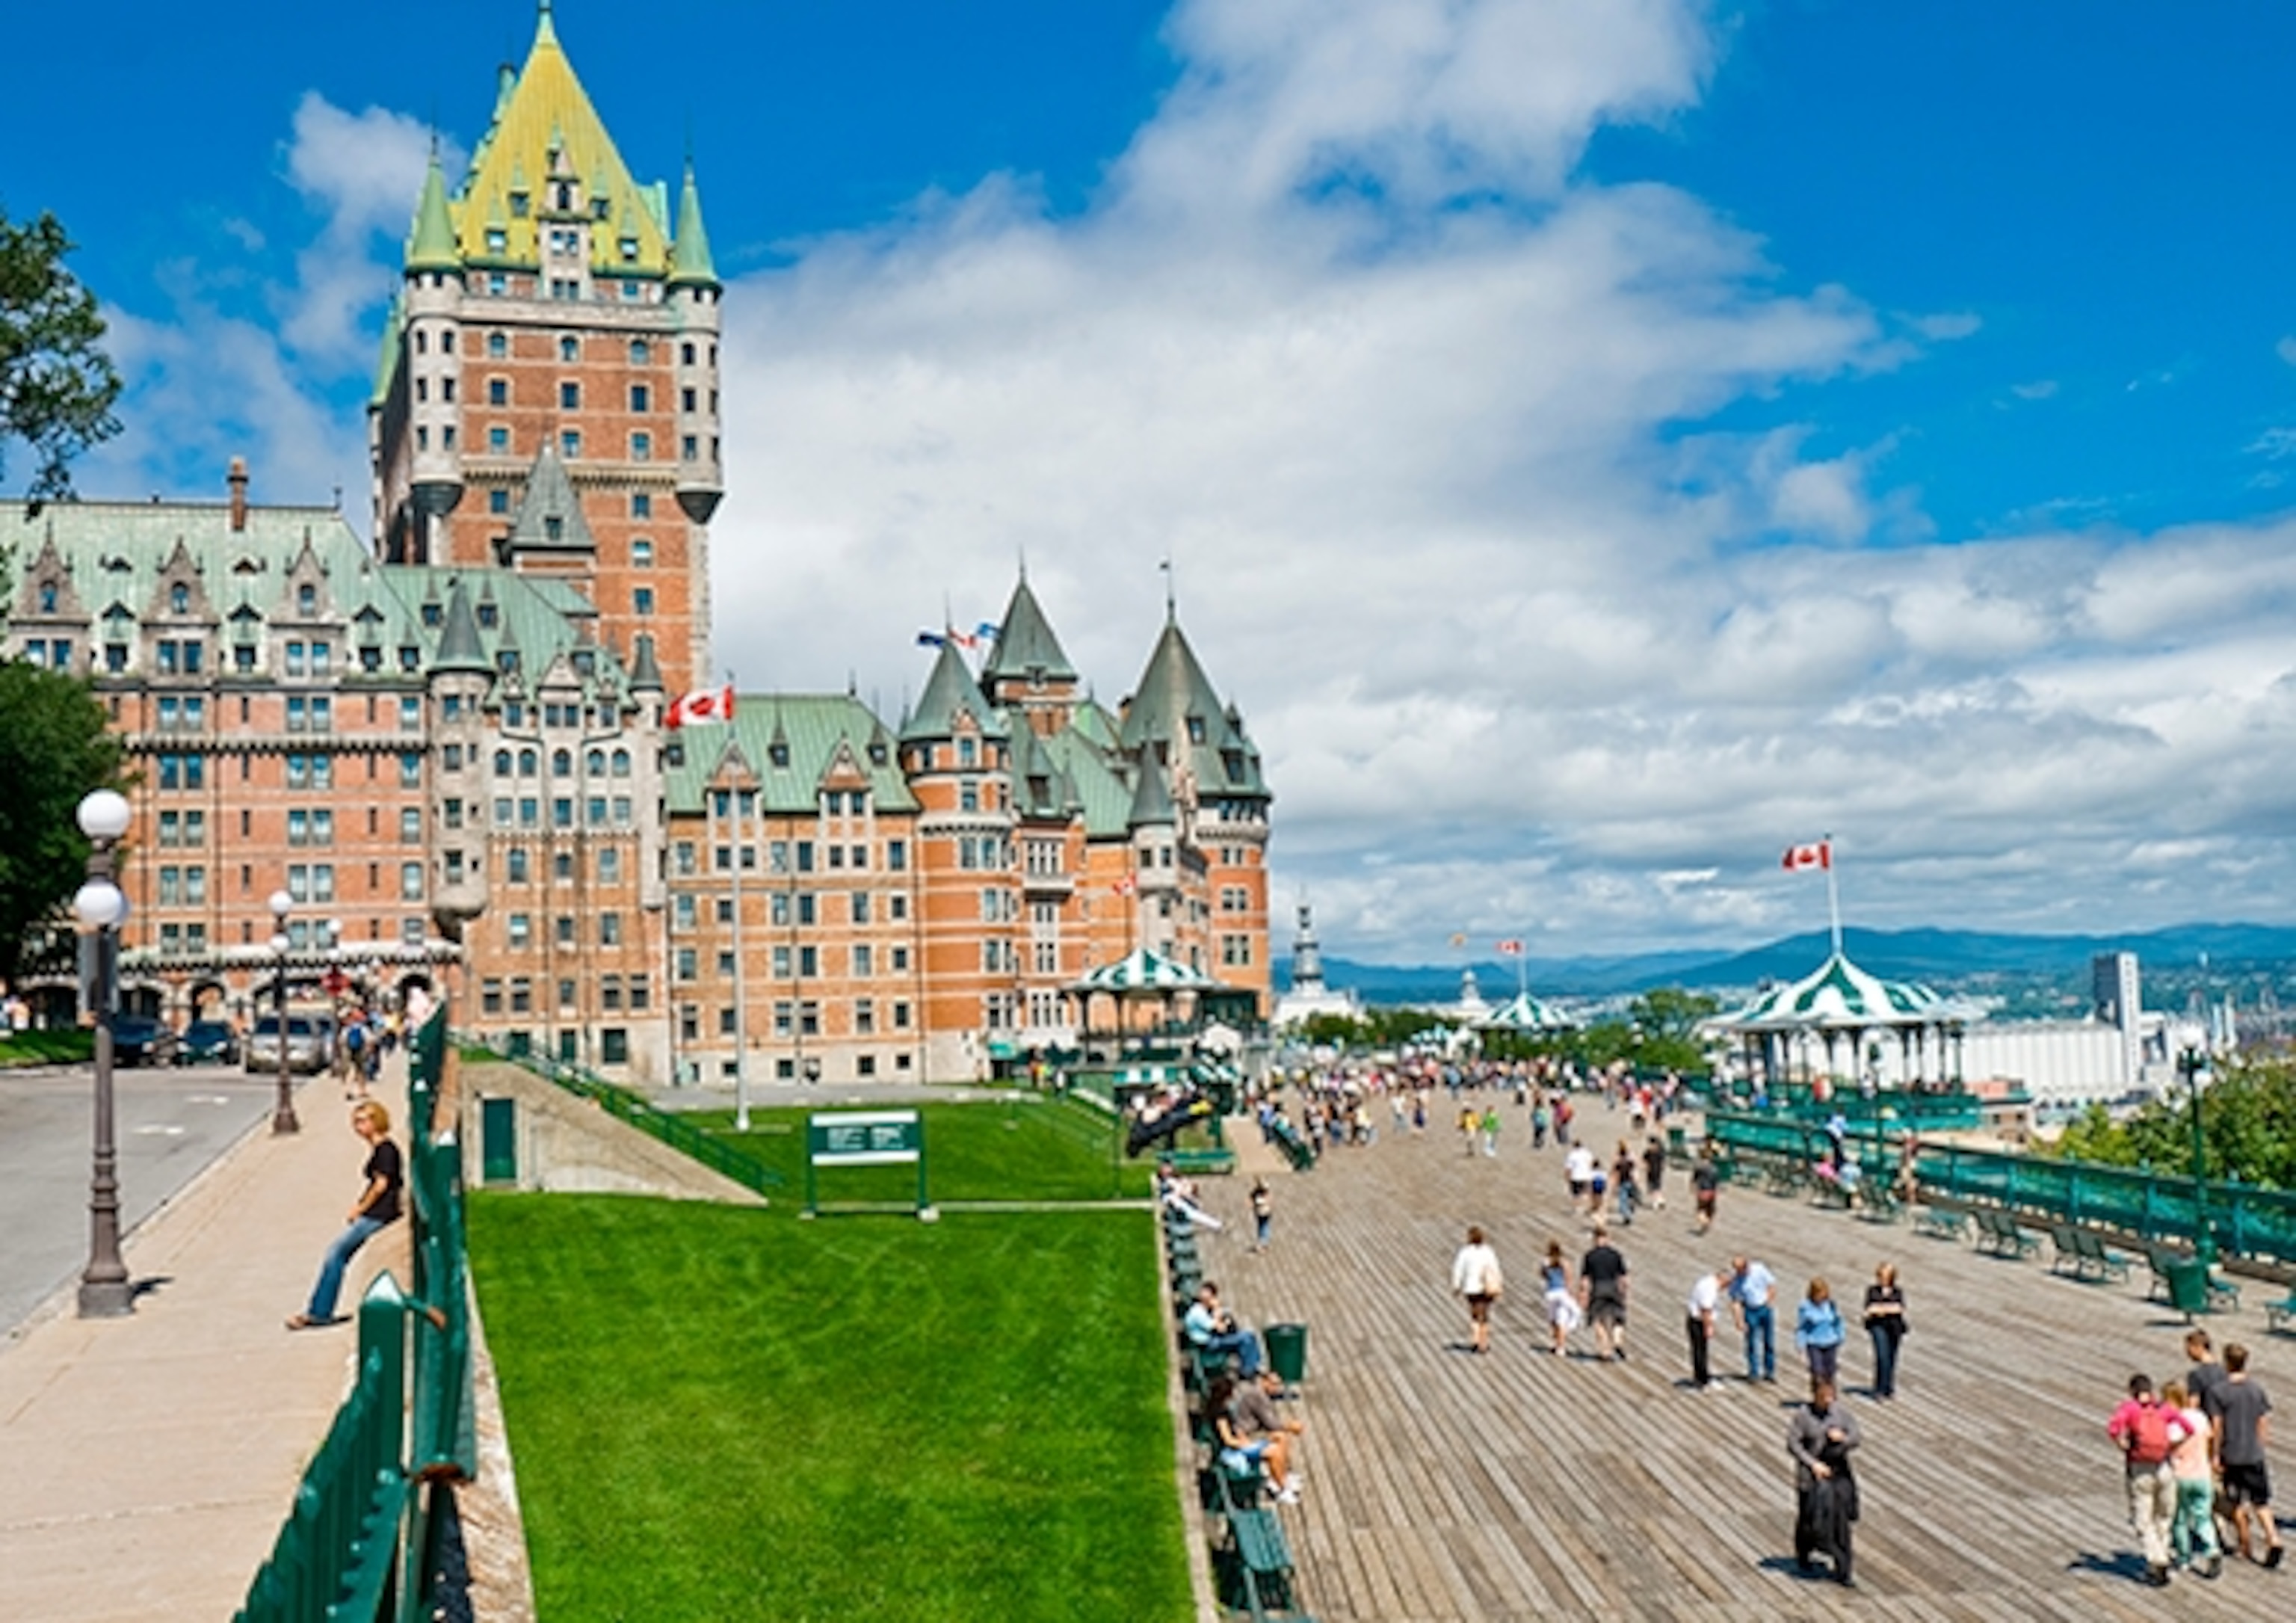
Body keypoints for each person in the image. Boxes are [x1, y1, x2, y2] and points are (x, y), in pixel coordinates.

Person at [287, 1100, 403, 1330]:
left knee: (335, 1254)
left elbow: (381, 1185)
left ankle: (319, 1312)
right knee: (337, 1253)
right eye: (355, 1122)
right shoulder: (381, 1149)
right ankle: (319, 1310)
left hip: (378, 1214)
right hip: (375, 1212)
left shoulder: (386, 1150)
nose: (357, 1127)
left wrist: (359, 1209)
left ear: (376, 1121)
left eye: (362, 1121)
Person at [2106, 1373, 2181, 1587]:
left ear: (2132, 1391)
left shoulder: (2129, 1409)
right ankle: (2164, 1552)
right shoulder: (2163, 1408)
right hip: (2164, 1466)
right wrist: (2171, 1446)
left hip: (2140, 1468)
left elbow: (2113, 1428)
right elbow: (2187, 1426)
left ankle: (2157, 1559)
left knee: (2143, 1518)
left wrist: (2122, 1444)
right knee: (2164, 1516)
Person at [2215, 1342, 2283, 1568]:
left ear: (2226, 1363)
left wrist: (2215, 1454)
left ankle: (2245, 1545)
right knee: (2261, 1502)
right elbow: (2262, 1421)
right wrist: (2260, 1444)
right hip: (2253, 1454)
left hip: (2232, 1454)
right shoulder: (2256, 1389)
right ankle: (2274, 1538)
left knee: (2235, 1503)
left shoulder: (2220, 1391)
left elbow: (2218, 1425)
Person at [1789, 1379, 1862, 1586]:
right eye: (1824, 1396)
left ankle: (1843, 1568)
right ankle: (1804, 1553)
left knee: (1841, 1522)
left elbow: (1856, 1436)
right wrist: (1813, 1465)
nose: (1829, 1400)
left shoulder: (1840, 1413)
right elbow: (1793, 1444)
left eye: (1831, 1395)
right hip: (1811, 1475)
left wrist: (1844, 1438)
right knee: (1808, 1519)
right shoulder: (1803, 1416)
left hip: (1838, 1472)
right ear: (1815, 1395)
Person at [2161, 1379, 2224, 1578]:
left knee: (2179, 1519)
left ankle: (2184, 1557)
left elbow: (2168, 1444)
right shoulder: (2200, 1417)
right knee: (2203, 1517)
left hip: (2180, 1474)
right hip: (2202, 1473)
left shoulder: (2174, 1422)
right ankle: (2212, 1550)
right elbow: (2209, 1436)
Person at [1223, 1367, 1306, 1505]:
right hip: (1244, 1439)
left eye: (1279, 1384)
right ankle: (1281, 1489)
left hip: (1250, 1432)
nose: (1277, 1388)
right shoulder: (1256, 1395)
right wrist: (1291, 1426)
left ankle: (1281, 1476)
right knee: (1276, 1446)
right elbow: (1271, 1423)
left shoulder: (1255, 1390)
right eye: (1274, 1384)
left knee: (1281, 1437)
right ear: (1264, 1380)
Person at [1184, 1283, 1263, 1377]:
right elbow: (1221, 1329)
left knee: (1248, 1337)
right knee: (1246, 1338)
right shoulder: (1198, 1313)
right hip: (1208, 1344)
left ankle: (1251, 1367)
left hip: (1212, 1339)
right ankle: (1249, 1370)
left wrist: (1222, 1317)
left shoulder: (1204, 1310)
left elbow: (1224, 1323)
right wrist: (1217, 1310)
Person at [1579, 1224, 1629, 1362]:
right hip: (1613, 1287)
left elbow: (1585, 1280)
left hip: (1598, 1287)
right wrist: (1624, 1294)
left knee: (1597, 1320)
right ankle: (1617, 1340)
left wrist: (1583, 1296)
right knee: (1618, 1318)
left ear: (1595, 1239)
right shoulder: (1616, 1255)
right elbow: (1623, 1278)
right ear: (1607, 1238)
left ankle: (1605, 1350)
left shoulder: (1590, 1256)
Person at [1451, 1225, 1504, 1354]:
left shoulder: (1465, 1252)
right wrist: (1499, 1284)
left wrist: (1456, 1285)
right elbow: (1495, 1269)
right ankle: (1483, 1342)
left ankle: (1475, 1340)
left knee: (1474, 1314)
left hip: (1471, 1287)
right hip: (1485, 1286)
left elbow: (1458, 1269)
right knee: (1484, 1315)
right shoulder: (1488, 1251)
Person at [1862, 1263, 1907, 1400]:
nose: (1882, 1279)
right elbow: (1869, 1309)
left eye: (1886, 1276)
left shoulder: (1897, 1291)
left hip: (1895, 1328)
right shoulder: (1872, 1291)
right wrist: (1886, 1309)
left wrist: (1881, 1309)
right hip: (1878, 1326)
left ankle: (1888, 1387)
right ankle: (1879, 1388)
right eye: (1881, 1276)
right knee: (1882, 1356)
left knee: (1892, 1357)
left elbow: (1899, 1308)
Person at [1730, 1256, 1778, 1383]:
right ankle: (1754, 1372)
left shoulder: (1760, 1269)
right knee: (1752, 1343)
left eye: (1741, 1269)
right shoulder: (1737, 1281)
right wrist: (1739, 1320)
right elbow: (1735, 1301)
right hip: (1750, 1310)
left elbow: (1771, 1284)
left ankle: (1770, 1371)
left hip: (1764, 1308)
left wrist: (1769, 1301)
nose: (1740, 1272)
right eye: (1737, 1270)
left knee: (1769, 1342)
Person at [1795, 1278, 1846, 1390]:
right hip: (1814, 1342)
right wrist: (1800, 1342)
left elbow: (1838, 1321)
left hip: (1830, 1341)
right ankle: (1818, 1396)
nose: (1821, 1297)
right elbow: (1802, 1327)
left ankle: (1829, 1397)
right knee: (1817, 1371)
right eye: (1819, 1294)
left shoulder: (1831, 1305)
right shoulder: (1806, 1307)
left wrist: (1840, 1336)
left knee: (1830, 1372)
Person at [1685, 1267, 1724, 1391]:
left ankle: (1703, 1377)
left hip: (1695, 1319)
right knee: (1699, 1351)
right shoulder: (1710, 1288)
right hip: (1698, 1321)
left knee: (1700, 1350)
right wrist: (1709, 1327)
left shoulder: (1706, 1281)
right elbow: (1705, 1310)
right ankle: (1701, 1381)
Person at [1540, 1240, 1580, 1355]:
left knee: (1553, 1319)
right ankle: (1562, 1344)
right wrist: (1571, 1291)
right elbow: (1568, 1277)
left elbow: (1543, 1275)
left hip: (1550, 1293)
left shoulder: (1546, 1262)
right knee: (1569, 1315)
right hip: (1561, 1292)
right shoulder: (1564, 1262)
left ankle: (1557, 1342)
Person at [1691, 1149, 1720, 1235]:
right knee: (1710, 1210)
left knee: (1700, 1210)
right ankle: (1706, 1224)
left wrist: (1693, 1188)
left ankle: (1705, 1223)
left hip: (1703, 1191)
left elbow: (1694, 1179)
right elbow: (1716, 1182)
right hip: (1712, 1192)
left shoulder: (1699, 1168)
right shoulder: (1715, 1169)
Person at [1565, 1142, 1596, 1210]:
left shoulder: (1572, 1155)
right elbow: (1592, 1164)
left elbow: (1568, 1168)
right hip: (1586, 1176)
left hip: (1576, 1176)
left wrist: (1567, 1178)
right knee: (1585, 1193)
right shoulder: (1588, 1153)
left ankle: (1577, 1207)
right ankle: (1584, 1207)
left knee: (1576, 1194)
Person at [1642, 1134, 1667, 1211]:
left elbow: (1663, 1162)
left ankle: (1656, 1202)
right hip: (1653, 1171)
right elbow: (1644, 1160)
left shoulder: (1656, 1152)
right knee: (1655, 1187)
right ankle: (1660, 1200)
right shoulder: (1653, 1152)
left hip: (1655, 1171)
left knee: (1654, 1188)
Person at [1249, 1179, 1273, 1253]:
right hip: (1262, 1213)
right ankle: (1263, 1243)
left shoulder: (1260, 1196)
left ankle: (1264, 1243)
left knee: (1264, 1227)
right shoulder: (1259, 1196)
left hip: (1264, 1213)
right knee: (1263, 1227)